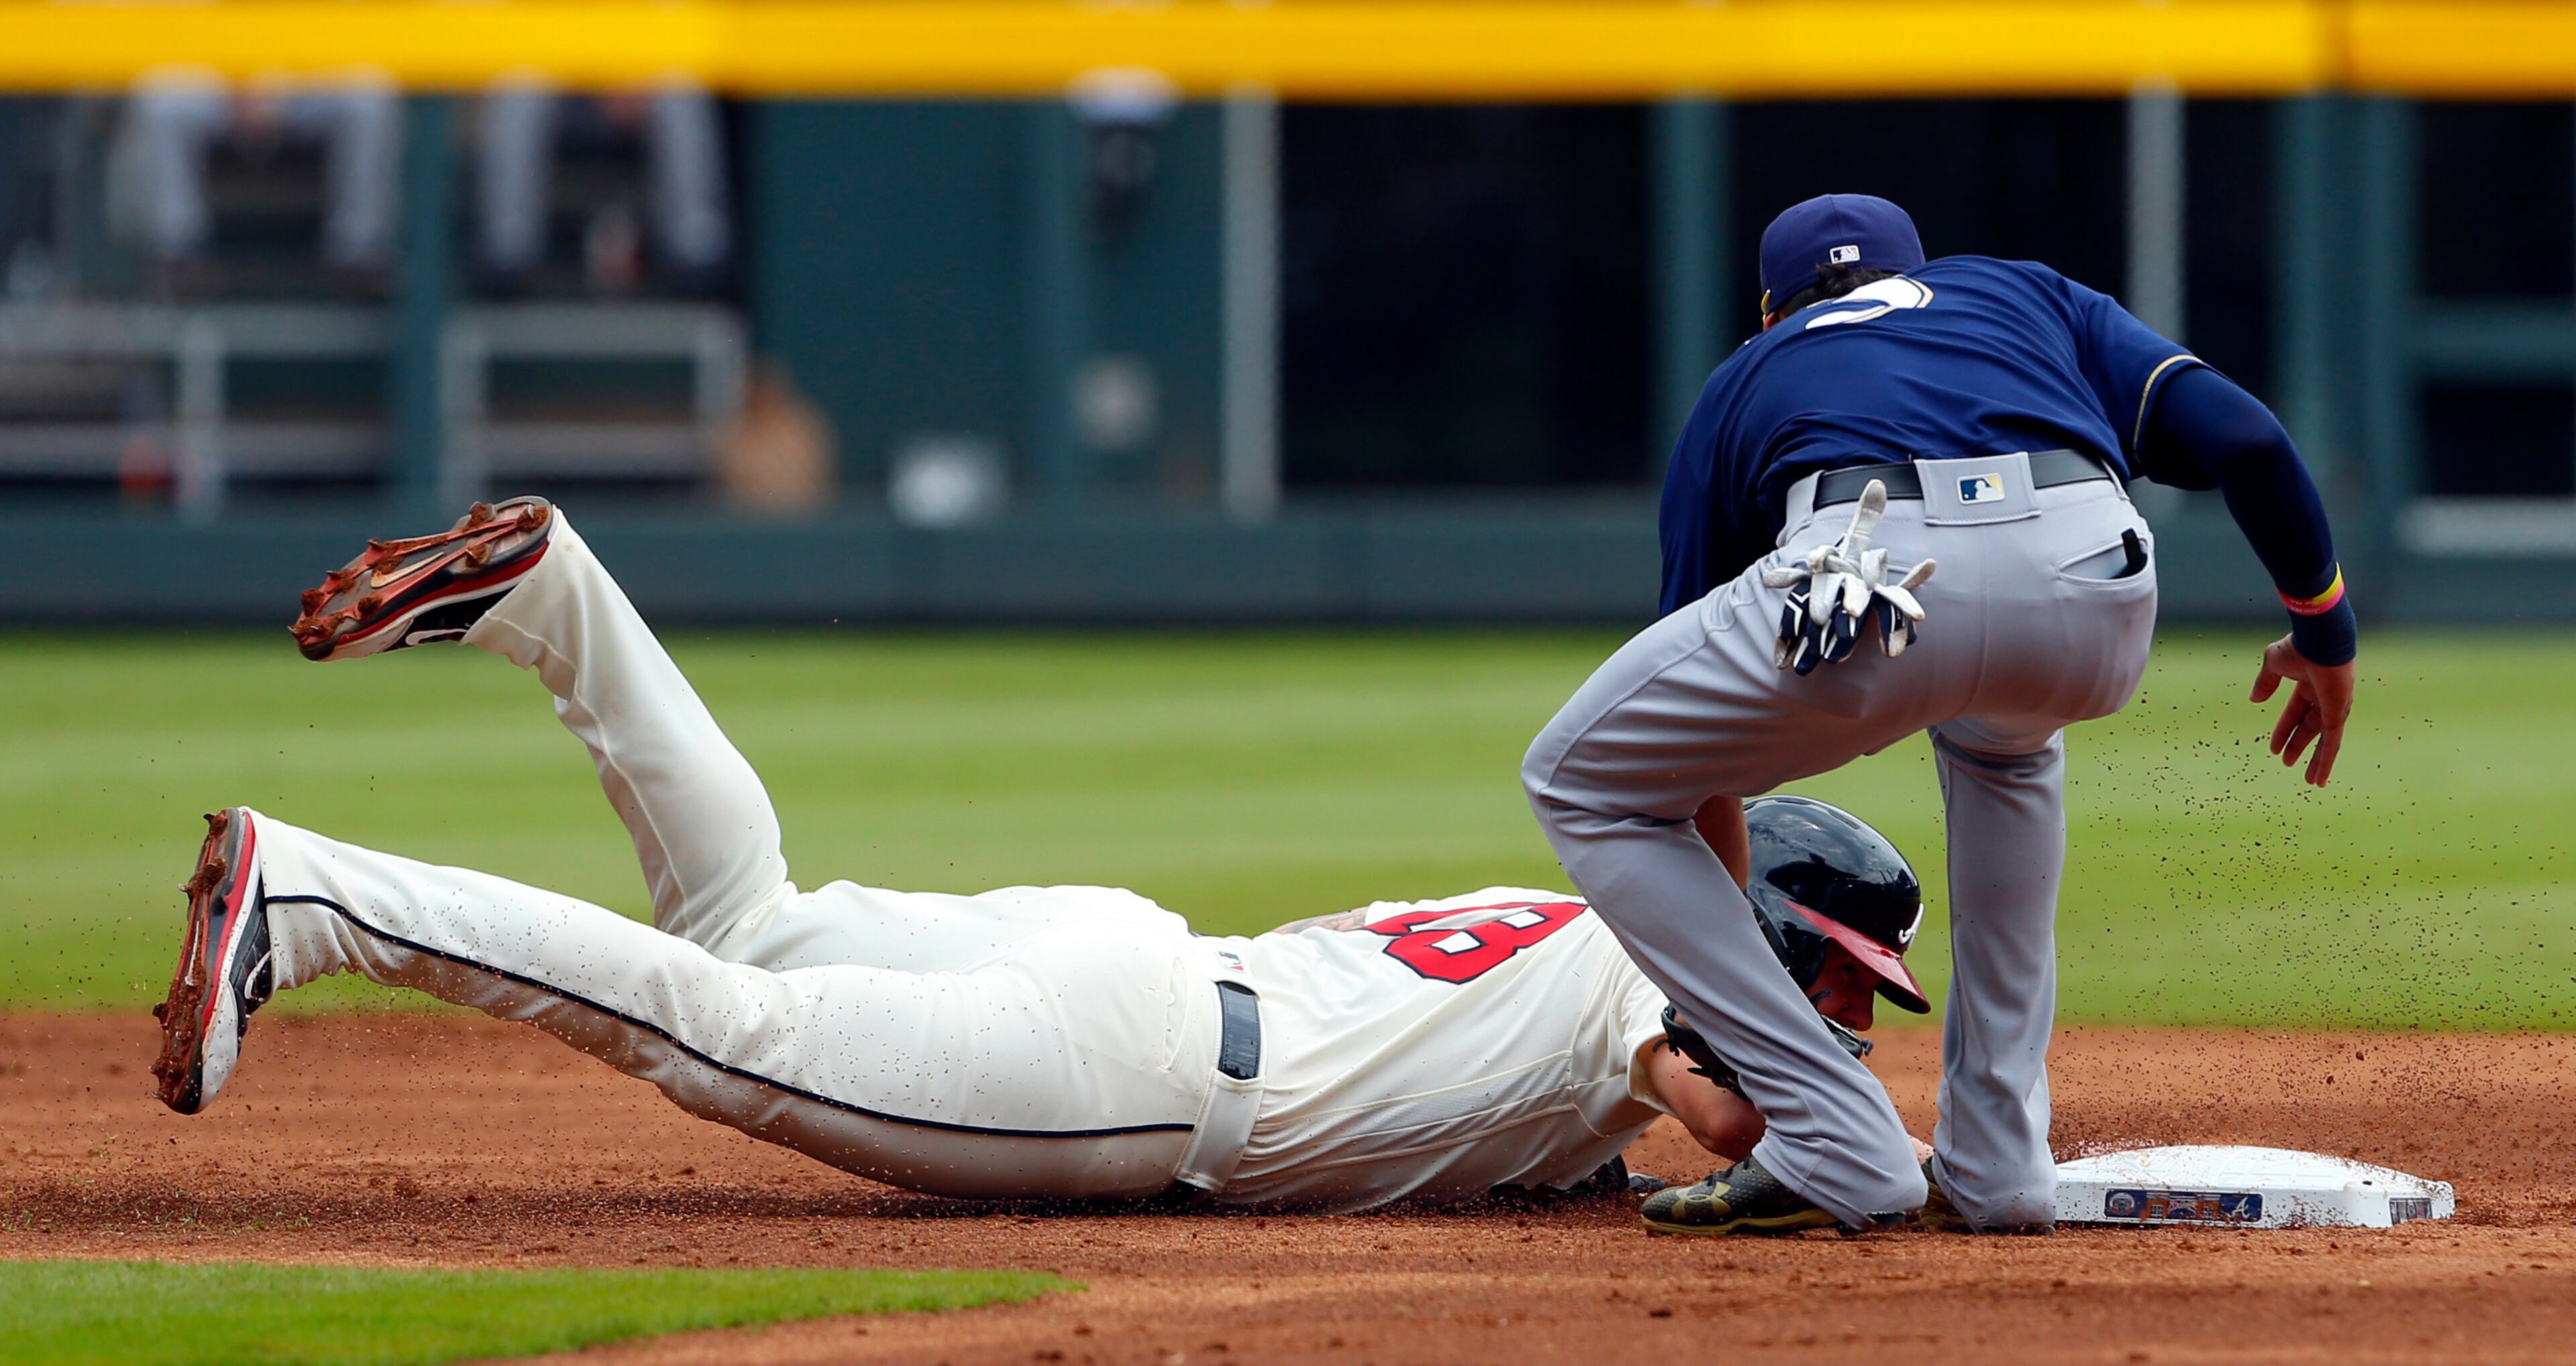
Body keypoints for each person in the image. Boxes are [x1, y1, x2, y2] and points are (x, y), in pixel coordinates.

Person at [154, 496, 1927, 1215]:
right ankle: (324, 901)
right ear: (1758, 924)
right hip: (1131, 1080)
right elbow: (1737, 1126)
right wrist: (1902, 1169)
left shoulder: (1575, 920)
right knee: (718, 1029)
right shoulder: (1666, 968)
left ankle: (559, 600)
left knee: (749, 921)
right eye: (1840, 979)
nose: (1854, 1022)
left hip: (1128, 964)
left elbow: (1576, 1161)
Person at [1523, 194, 2359, 1237]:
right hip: (2093, 580)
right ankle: (2002, 1164)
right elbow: (2248, 435)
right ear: (1922, 272)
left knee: (1578, 778)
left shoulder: (1748, 372)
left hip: (1858, 579)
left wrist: (1721, 967)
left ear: (1775, 312)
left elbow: (1698, 777)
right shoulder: (2023, 292)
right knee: (2010, 748)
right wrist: (2323, 629)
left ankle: (1833, 1134)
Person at [126, 0, 410, 288]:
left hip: (330, 86)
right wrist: (242, 85)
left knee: (370, 97)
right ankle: (178, 250)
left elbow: (424, 22)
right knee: (164, 98)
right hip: (258, 88)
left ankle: (358, 252)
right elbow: (224, 40)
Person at [476, 0, 731, 292]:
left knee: (682, 90)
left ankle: (696, 253)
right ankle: (508, 255)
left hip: (643, 91)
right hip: (571, 98)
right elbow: (525, 42)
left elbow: (682, 33)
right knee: (520, 90)